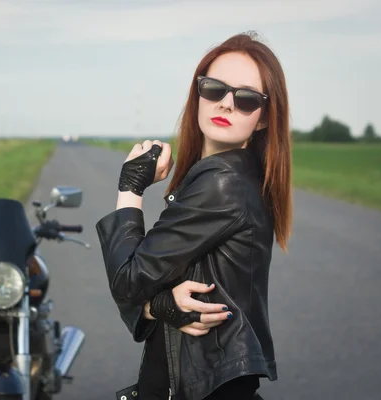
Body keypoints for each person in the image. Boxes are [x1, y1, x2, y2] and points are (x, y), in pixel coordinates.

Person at [96, 31, 292, 400]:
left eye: (247, 98)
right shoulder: (233, 175)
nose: (227, 104)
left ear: (264, 118)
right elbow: (155, 283)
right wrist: (158, 307)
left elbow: (128, 279)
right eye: (215, 88)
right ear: (198, 94)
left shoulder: (222, 183)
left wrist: (130, 188)